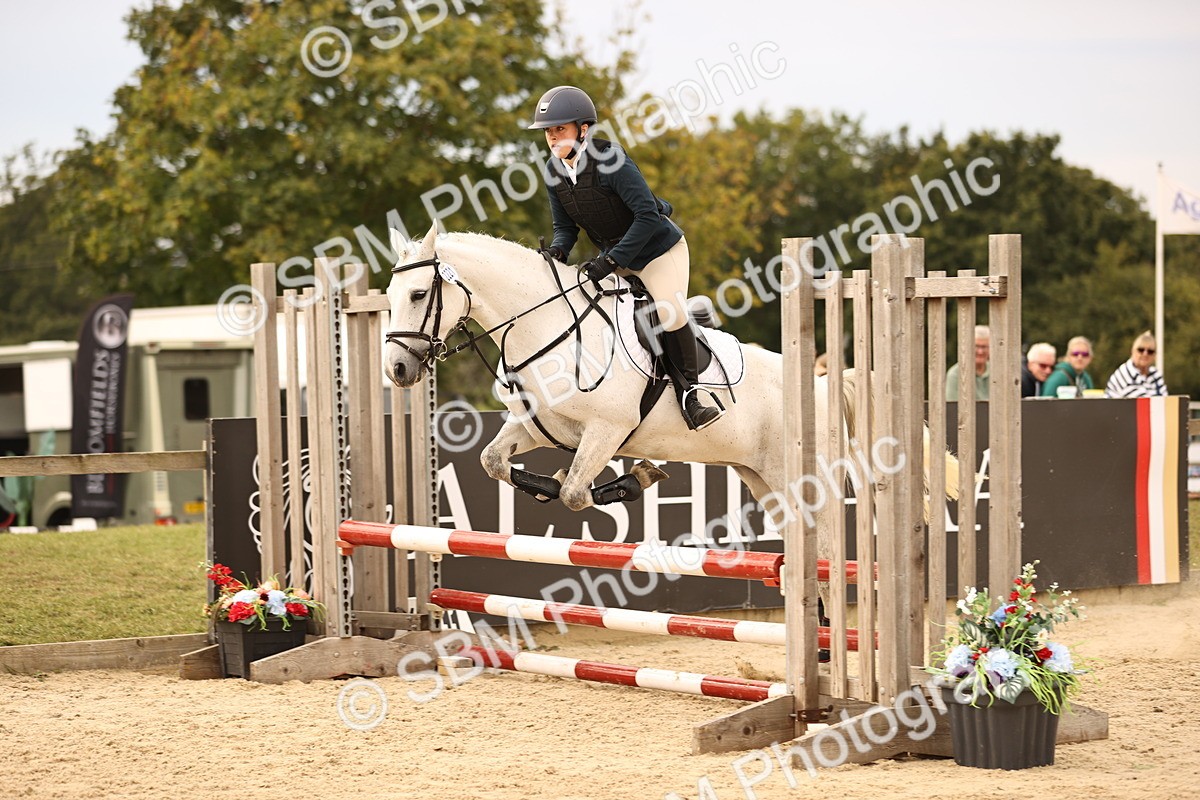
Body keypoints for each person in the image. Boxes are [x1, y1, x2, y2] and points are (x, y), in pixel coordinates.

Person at [528, 85, 723, 431]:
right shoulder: (553, 171)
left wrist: (611, 260)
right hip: (614, 256)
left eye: (560, 129)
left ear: (583, 129)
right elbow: (565, 227)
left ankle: (692, 395)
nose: (553, 137)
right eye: (548, 131)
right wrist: (558, 250)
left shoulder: (610, 159)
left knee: (667, 311)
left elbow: (647, 215)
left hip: (658, 250)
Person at [1106, 331, 1168, 397]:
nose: (1145, 354)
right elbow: (1141, 403)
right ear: (1132, 351)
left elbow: (1165, 400)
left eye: (1150, 351)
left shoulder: (1156, 375)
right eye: (1141, 350)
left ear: (1155, 355)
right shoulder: (1125, 373)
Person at [946, 326, 990, 401]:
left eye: (984, 347)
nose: (980, 352)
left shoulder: (998, 372)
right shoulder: (955, 375)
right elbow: (952, 408)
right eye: (976, 346)